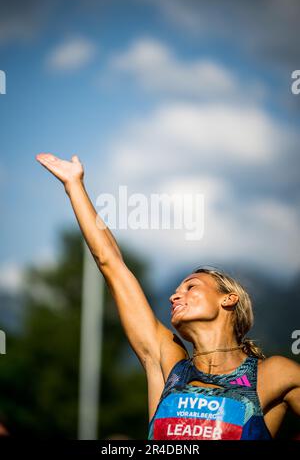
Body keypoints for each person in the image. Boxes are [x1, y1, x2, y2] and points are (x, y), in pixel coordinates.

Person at [36, 153, 300, 440]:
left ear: (229, 299)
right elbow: (110, 263)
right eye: (175, 291)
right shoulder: (167, 364)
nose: (175, 296)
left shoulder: (274, 374)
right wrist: (74, 186)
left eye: (191, 286)